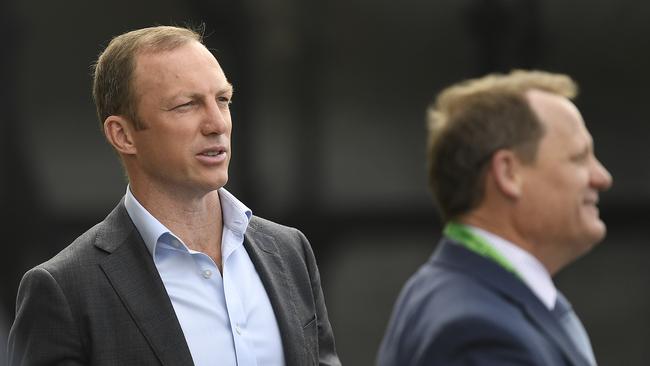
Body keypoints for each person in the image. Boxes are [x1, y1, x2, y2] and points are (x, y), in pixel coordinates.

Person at [8, 25, 340, 366]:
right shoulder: (66, 290)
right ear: (122, 135)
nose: (217, 123)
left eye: (223, 100)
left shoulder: (289, 251)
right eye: (186, 105)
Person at [377, 70, 612, 366]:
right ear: (508, 173)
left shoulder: (454, 294)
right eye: (579, 157)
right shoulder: (476, 332)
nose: (602, 177)